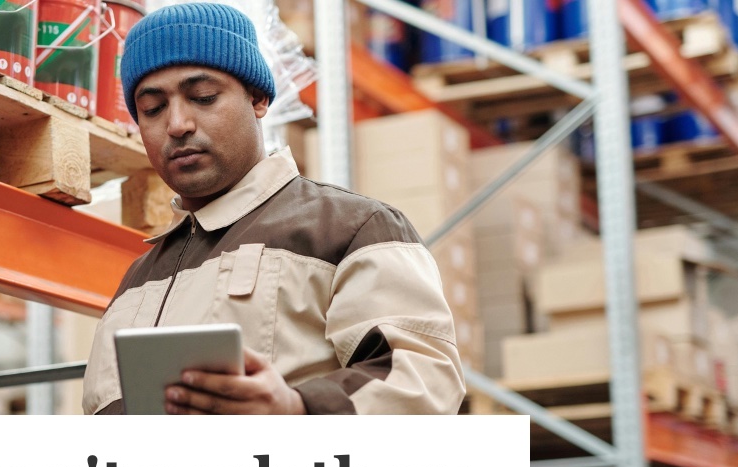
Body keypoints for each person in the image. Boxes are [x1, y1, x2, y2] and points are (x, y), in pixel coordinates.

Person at [81, 2, 466, 415]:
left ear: (258, 97)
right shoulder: (136, 281)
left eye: (203, 97)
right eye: (153, 108)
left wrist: (297, 409)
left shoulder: (352, 229)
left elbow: (426, 382)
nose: (177, 124)